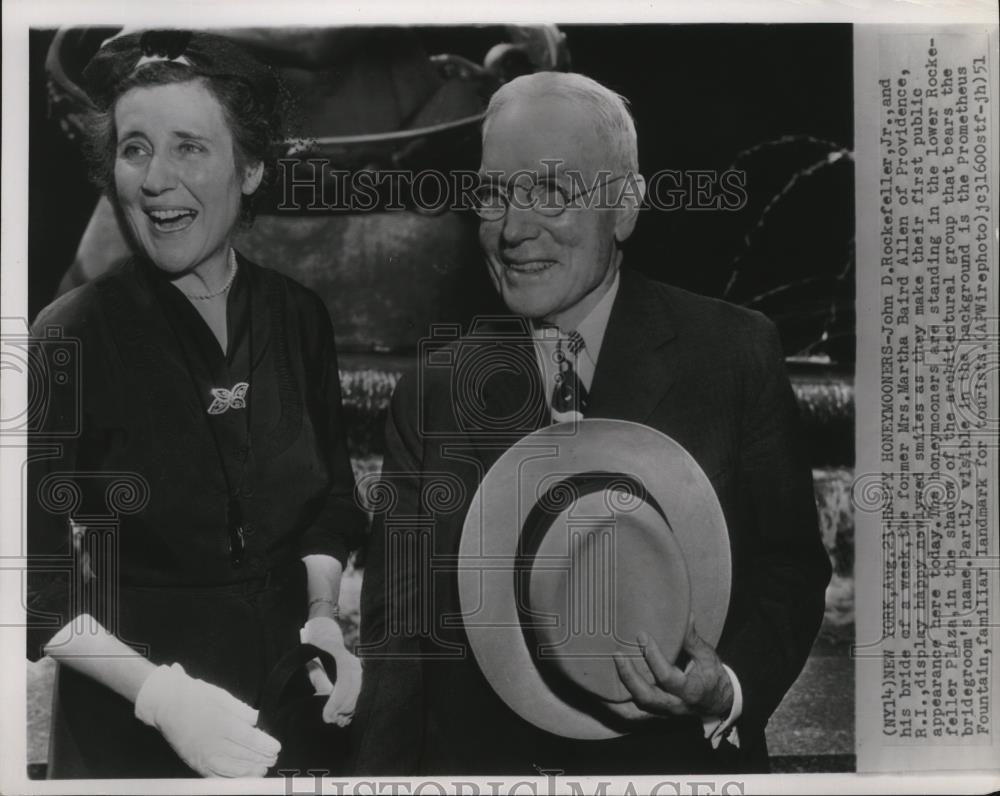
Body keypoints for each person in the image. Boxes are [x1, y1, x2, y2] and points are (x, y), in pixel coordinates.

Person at [354, 71, 832, 774]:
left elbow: (792, 568)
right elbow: (397, 639)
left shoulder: (733, 354)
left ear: (625, 208)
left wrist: (725, 688)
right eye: (494, 194)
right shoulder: (432, 392)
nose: (514, 230)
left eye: (551, 191)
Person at [27, 30, 366, 778]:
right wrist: (159, 697)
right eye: (135, 148)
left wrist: (321, 617)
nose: (156, 180)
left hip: (287, 702)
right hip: (132, 726)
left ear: (249, 170)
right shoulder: (70, 336)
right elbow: (27, 579)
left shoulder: (298, 316)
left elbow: (331, 504)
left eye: (190, 148)